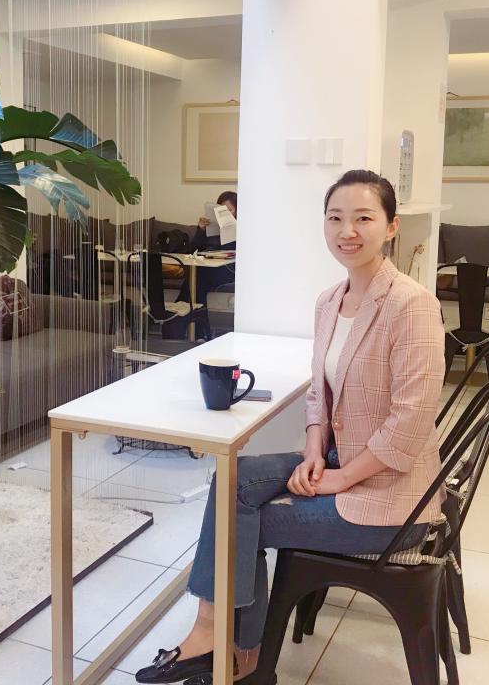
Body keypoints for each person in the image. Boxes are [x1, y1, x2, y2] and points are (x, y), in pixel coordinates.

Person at [135, 170, 446, 684]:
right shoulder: (330, 301)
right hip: (341, 458)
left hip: (393, 498)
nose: (347, 231)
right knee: (233, 480)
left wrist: (340, 477)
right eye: (335, 218)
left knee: (243, 522)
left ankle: (238, 654)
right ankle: (219, 641)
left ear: (391, 227)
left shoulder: (412, 305)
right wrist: (313, 452)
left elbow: (411, 422)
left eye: (364, 218)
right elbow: (319, 395)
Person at [175, 191, 238, 340]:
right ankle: (200, 331)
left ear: (237, 210)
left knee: (196, 279)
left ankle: (180, 317)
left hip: (229, 271)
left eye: (229, 210)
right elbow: (192, 251)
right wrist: (201, 230)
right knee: (198, 280)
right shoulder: (211, 227)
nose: (226, 214)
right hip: (208, 269)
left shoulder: (242, 229)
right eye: (222, 210)